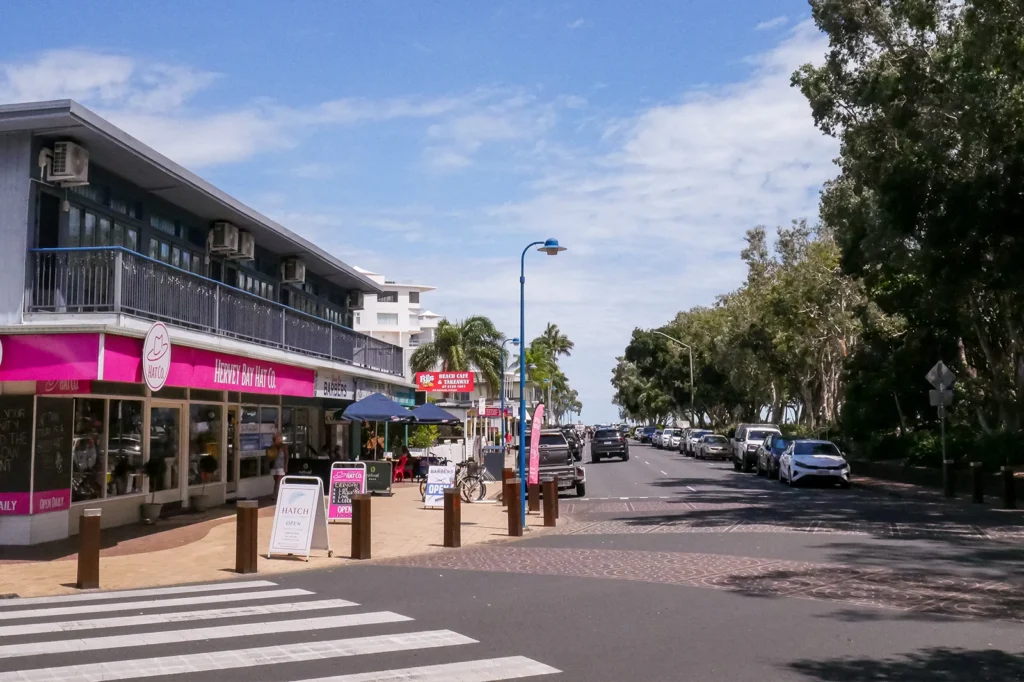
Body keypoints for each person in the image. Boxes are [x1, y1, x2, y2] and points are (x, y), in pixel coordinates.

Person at [267, 432, 288, 500]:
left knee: (279, 480)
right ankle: (281, 493)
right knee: (276, 481)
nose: (279, 440)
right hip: (274, 466)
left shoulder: (284, 446)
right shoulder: (272, 447)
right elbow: (268, 456)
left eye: (279, 438)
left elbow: (286, 456)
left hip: (281, 466)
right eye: (277, 438)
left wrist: (286, 466)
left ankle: (275, 494)